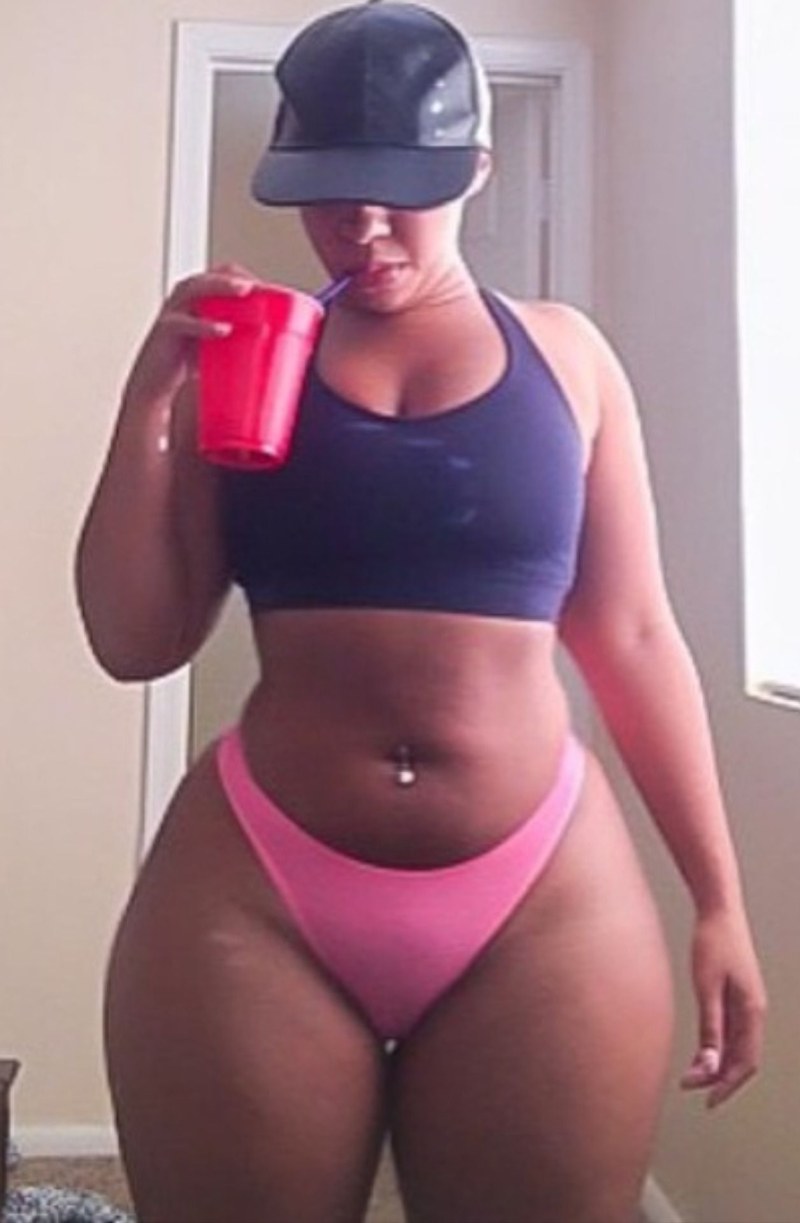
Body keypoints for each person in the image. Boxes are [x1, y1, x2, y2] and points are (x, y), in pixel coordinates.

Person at [75, 3, 767, 1221]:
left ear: (474, 171)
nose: (363, 227)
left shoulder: (567, 358)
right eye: (330, 196)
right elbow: (137, 639)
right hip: (257, 888)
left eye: (400, 192)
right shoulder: (252, 361)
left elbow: (632, 634)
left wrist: (718, 898)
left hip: (540, 893)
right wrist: (151, 400)